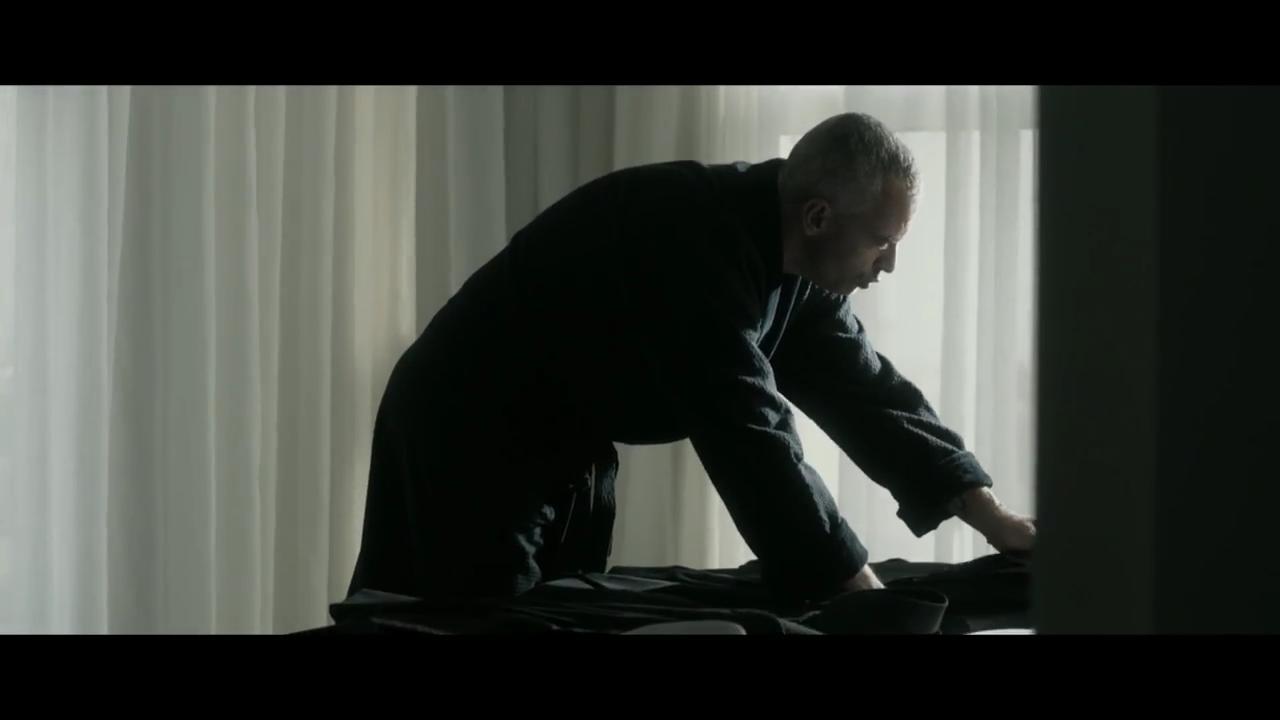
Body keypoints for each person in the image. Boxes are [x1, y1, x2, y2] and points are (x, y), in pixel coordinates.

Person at [346, 112, 1036, 606]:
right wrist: (852, 588)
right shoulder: (693, 241)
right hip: (465, 431)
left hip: (557, 445)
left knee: (554, 614)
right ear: (818, 217)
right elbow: (751, 436)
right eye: (882, 242)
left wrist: (993, 518)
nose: (888, 266)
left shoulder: (794, 266)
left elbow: (871, 393)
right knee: (471, 621)